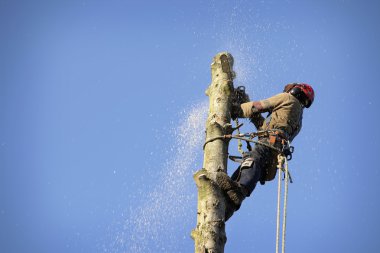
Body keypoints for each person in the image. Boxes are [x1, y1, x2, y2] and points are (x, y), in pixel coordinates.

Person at [215, 83, 315, 221]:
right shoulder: (298, 119)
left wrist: (233, 109)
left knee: (252, 160)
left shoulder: (287, 98)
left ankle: (238, 190)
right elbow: (264, 127)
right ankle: (229, 206)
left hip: (270, 143)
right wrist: (244, 101)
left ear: (295, 90)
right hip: (275, 152)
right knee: (249, 166)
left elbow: (258, 107)